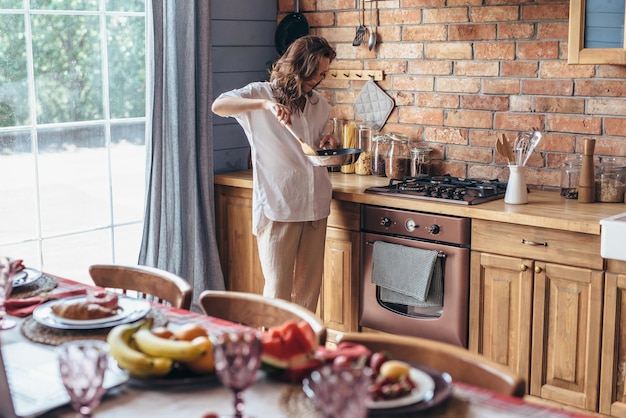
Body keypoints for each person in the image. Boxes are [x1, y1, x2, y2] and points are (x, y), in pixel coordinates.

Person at [211, 36, 337, 312]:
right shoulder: (261, 94)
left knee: (307, 295)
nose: (317, 80)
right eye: (313, 73)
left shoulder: (319, 105)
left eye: (323, 74)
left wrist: (326, 143)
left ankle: (302, 351)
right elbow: (219, 105)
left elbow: (312, 150)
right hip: (279, 204)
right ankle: (272, 352)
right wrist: (264, 105)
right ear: (297, 66)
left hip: (316, 204)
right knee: (277, 294)